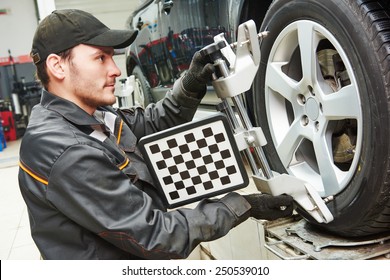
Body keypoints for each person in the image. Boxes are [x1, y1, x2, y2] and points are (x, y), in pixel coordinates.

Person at [18, 9, 294, 260]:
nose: (114, 69)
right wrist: (238, 204)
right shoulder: (66, 150)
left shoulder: (92, 115)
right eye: (100, 58)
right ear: (58, 66)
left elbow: (150, 123)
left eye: (112, 57)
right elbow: (157, 235)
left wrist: (191, 82)